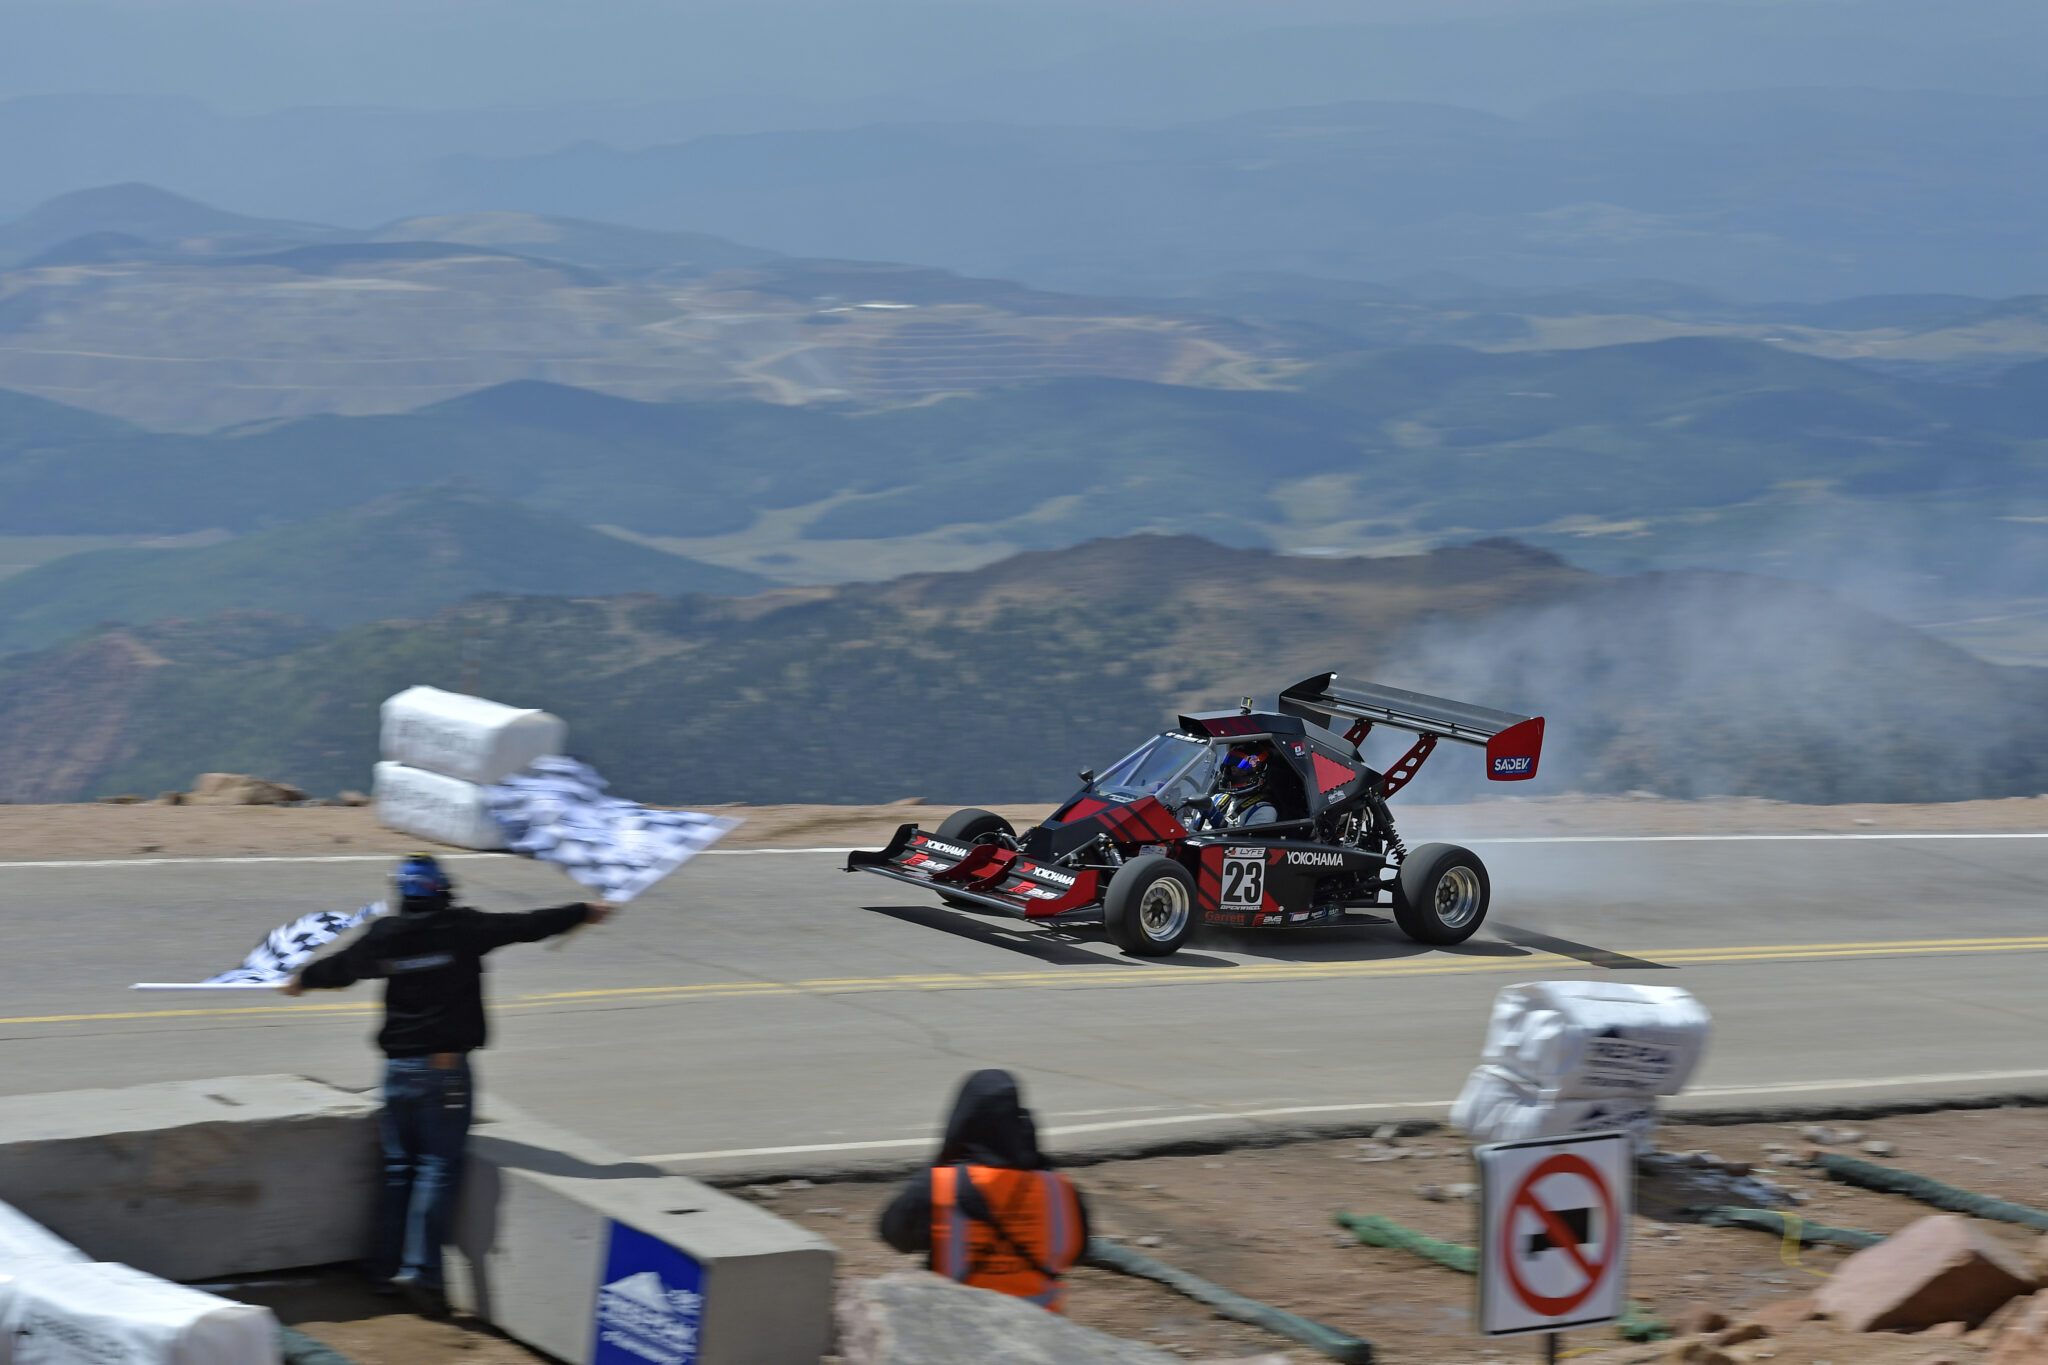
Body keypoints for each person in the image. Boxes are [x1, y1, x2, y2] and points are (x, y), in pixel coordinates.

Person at [280, 853, 611, 1316]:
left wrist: (303, 980)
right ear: (440, 889)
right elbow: (527, 925)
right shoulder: (464, 928)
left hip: (397, 1073)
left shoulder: (386, 935)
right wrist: (584, 911)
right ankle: (420, 1271)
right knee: (437, 1167)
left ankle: (384, 1270)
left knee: (399, 1169)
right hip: (444, 1071)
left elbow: (342, 968)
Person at [878, 1070, 1090, 1312]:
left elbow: (894, 1235)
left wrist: (938, 1163)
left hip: (958, 1321)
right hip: (1043, 1324)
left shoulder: (940, 1184)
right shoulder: (1060, 1188)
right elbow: (1077, 1253)